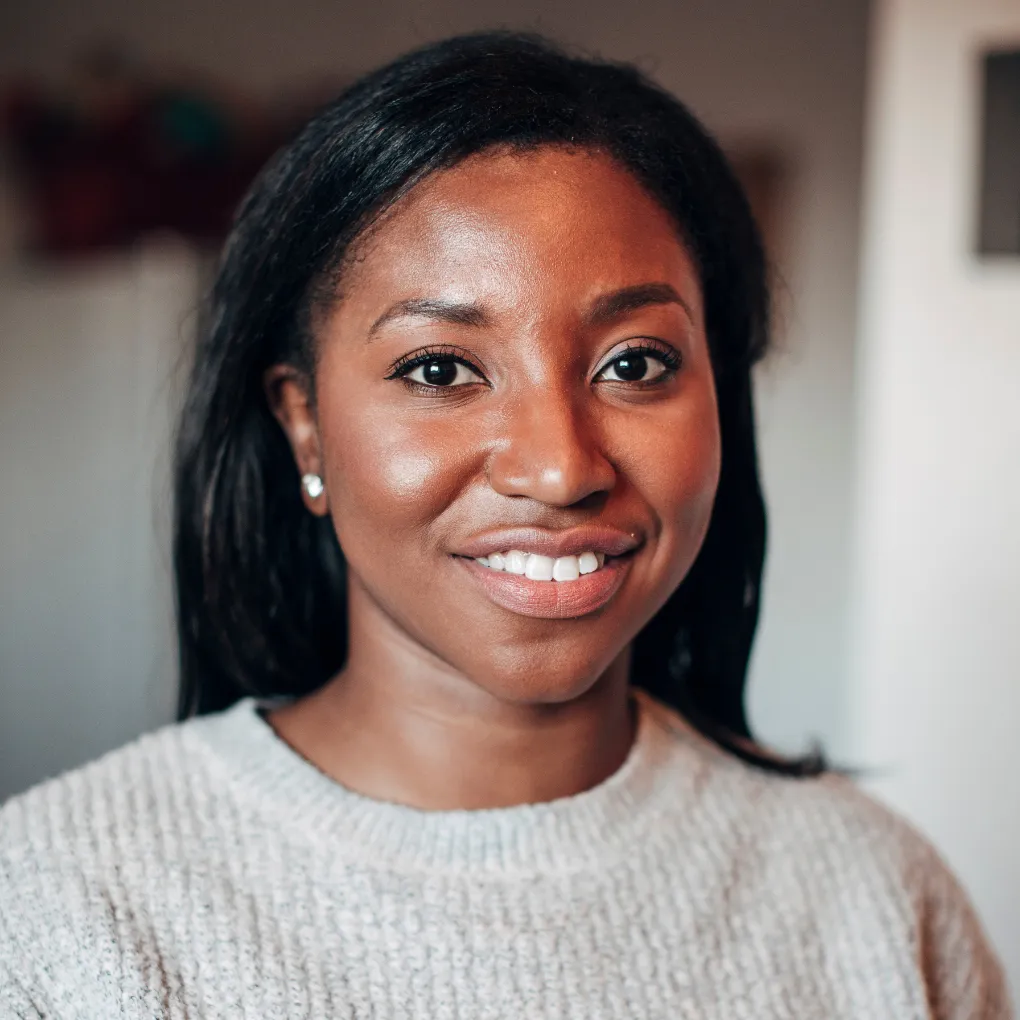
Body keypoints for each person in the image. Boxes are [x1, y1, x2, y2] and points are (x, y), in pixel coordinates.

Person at [0, 31, 1010, 1019]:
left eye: (635, 363)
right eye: (440, 369)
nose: (560, 468)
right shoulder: (57, 912)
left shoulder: (877, 897)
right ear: (304, 424)